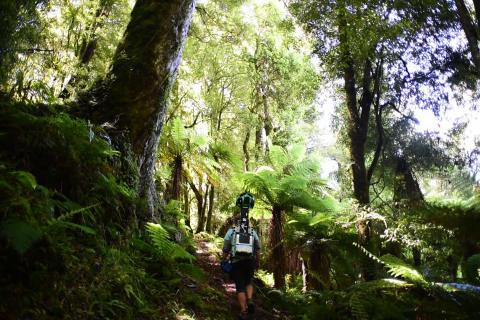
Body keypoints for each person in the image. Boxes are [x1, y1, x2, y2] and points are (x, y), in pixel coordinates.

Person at [222, 198, 261, 320]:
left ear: (236, 222)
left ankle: (243, 310)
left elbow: (226, 248)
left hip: (237, 262)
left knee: (239, 286)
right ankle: (249, 300)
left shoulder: (231, 232)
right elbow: (258, 248)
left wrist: (223, 260)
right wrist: (257, 261)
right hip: (249, 261)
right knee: (248, 282)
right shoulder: (252, 232)